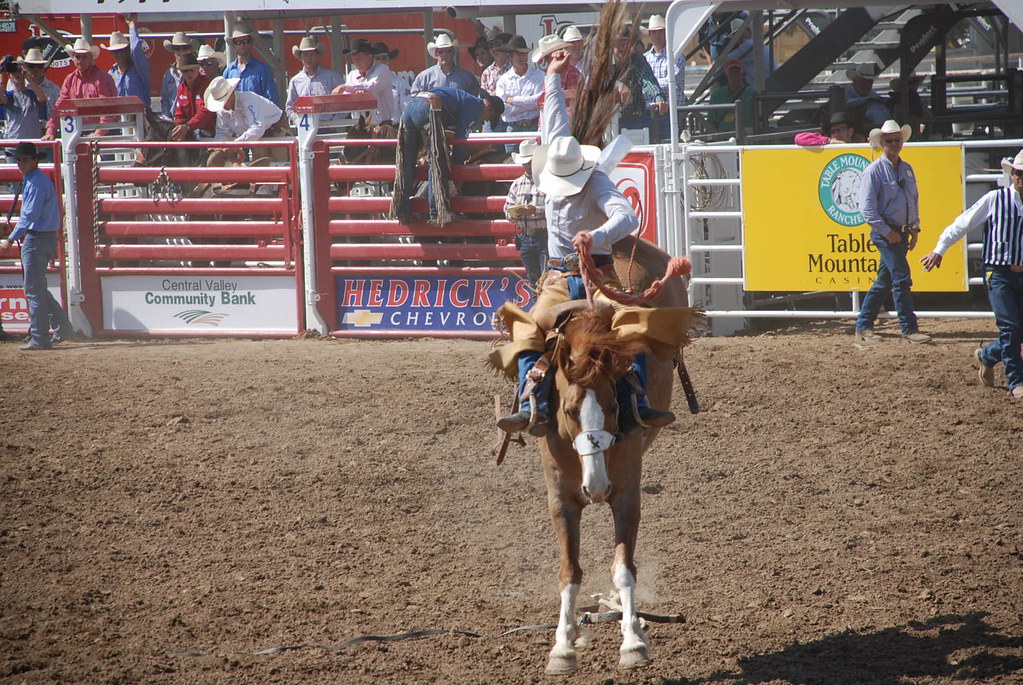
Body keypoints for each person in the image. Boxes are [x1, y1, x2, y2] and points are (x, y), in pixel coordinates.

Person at [495, 48, 674, 436]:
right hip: (558, 278)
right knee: (527, 327)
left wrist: (595, 236)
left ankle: (638, 403)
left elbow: (626, 216)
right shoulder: (559, 156)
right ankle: (534, 405)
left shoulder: (596, 181)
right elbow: (554, 120)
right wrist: (553, 77)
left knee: (632, 324)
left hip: (599, 276)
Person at [920, 150, 1023, 399]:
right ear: (1012, 175)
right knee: (1010, 326)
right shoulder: (994, 199)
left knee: (1015, 330)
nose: (1021, 178)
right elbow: (963, 223)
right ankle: (1016, 381)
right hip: (998, 271)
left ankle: (987, 355)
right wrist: (940, 249)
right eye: (1019, 173)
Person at [854, 120, 930, 345]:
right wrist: (887, 231)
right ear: (882, 143)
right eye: (890, 141)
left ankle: (863, 326)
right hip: (888, 233)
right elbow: (867, 209)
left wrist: (914, 227)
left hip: (900, 232)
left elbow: (913, 200)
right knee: (901, 278)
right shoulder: (874, 171)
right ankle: (909, 328)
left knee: (885, 281)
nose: (895, 144)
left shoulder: (905, 168)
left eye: (898, 140)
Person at [390, 87, 502, 226]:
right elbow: (460, 141)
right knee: (438, 159)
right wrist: (457, 171)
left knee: (406, 160)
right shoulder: (475, 106)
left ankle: (402, 210)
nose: (485, 121)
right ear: (488, 108)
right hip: (429, 108)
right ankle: (437, 211)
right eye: (490, 117)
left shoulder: (463, 98)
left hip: (412, 107)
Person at [0, 141, 74, 351]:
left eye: (23, 160)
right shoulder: (39, 180)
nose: (19, 164)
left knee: (32, 289)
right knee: (37, 288)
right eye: (18, 160)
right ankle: (62, 328)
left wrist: (10, 239)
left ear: (33, 161)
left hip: (37, 238)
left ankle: (40, 337)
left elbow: (29, 216)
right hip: (45, 237)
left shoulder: (34, 183)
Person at [41, 38, 117, 141]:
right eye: (77, 57)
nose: (80, 60)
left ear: (91, 58)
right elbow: (59, 106)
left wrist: (99, 132)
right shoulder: (70, 79)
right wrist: (50, 130)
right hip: (80, 131)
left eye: (84, 57)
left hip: (106, 131)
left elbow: (108, 108)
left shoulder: (102, 78)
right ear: (73, 58)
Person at [204, 75, 283, 167]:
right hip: (251, 136)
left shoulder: (249, 100)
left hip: (275, 130)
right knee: (260, 169)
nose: (223, 105)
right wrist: (219, 147)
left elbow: (257, 128)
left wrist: (234, 145)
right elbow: (222, 133)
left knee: (279, 164)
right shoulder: (222, 110)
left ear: (232, 93)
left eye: (224, 101)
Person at [504, 139, 548, 288]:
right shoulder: (517, 183)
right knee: (534, 281)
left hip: (544, 235)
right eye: (525, 163)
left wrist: (535, 210)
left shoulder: (548, 181)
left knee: (546, 280)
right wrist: (514, 212)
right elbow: (507, 211)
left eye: (530, 162)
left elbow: (556, 209)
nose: (527, 166)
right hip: (526, 236)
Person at [614, 29, 666, 143]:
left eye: (626, 44)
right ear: (612, 46)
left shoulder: (637, 59)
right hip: (608, 121)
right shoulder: (604, 62)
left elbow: (647, 80)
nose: (623, 48)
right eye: (619, 45)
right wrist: (618, 86)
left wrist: (659, 97)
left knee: (662, 129)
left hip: (635, 117)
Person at [494, 35, 544, 148]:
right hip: (513, 128)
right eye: (518, 54)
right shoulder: (503, 80)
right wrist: (529, 103)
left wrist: (512, 100)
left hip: (533, 127)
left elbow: (539, 101)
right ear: (510, 56)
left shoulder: (539, 76)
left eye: (524, 54)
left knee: (535, 162)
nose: (523, 57)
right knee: (511, 162)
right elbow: (502, 108)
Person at [284, 36, 345, 127]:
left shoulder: (332, 77)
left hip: (327, 126)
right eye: (305, 55)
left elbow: (344, 102)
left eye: (311, 55)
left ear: (317, 56)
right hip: (305, 127)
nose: (309, 59)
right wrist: (298, 121)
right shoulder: (295, 81)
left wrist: (333, 120)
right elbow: (289, 107)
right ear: (300, 57)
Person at [334, 38, 395, 125]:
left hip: (381, 124)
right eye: (354, 59)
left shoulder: (382, 69)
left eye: (359, 59)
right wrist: (355, 94)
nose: (356, 63)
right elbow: (347, 97)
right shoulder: (352, 74)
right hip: (358, 124)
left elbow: (372, 86)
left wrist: (347, 87)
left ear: (370, 57)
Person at [223, 25, 279, 106]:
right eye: (238, 42)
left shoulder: (263, 70)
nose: (242, 45)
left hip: (258, 117)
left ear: (251, 42)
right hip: (236, 117)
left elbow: (272, 100)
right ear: (234, 45)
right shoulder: (228, 72)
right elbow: (224, 100)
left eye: (246, 41)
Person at [103, 15, 150, 110]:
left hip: (141, 116)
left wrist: (131, 26)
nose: (119, 54)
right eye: (115, 51)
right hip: (119, 117)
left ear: (128, 50)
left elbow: (136, 49)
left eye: (122, 50)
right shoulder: (110, 73)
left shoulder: (139, 68)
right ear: (112, 54)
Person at [643, 14, 686, 117]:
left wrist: (647, 85)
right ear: (649, 34)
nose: (657, 35)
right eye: (654, 32)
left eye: (660, 31)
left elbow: (671, 82)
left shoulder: (676, 55)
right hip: (649, 113)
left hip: (673, 113)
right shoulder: (644, 58)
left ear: (666, 32)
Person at [410, 34, 480, 96]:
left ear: (453, 52)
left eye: (448, 51)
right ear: (436, 54)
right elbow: (415, 101)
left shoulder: (467, 78)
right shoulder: (424, 77)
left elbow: (474, 102)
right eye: (440, 52)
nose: (444, 54)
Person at [1, 55, 44, 153]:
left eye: (19, 71)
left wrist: (28, 77)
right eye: (13, 71)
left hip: (33, 144)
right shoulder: (8, 96)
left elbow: (42, 99)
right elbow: (1, 97)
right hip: (13, 145)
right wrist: (1, 74)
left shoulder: (32, 94)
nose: (17, 73)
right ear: (10, 75)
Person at [170, 53, 214, 140]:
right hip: (191, 131)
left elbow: (206, 111)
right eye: (185, 71)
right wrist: (180, 127)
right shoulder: (181, 89)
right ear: (181, 72)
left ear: (198, 69)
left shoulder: (207, 85)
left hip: (211, 133)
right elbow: (179, 114)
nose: (189, 73)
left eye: (192, 70)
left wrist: (187, 126)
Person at [20, 48, 59, 142]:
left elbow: (59, 113)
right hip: (25, 132)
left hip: (48, 132)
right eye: (31, 66)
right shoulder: (17, 86)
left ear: (44, 68)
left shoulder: (55, 89)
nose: (35, 70)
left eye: (39, 66)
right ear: (25, 68)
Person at [706, 59, 753, 133]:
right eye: (732, 72)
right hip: (722, 138)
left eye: (737, 72)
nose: (735, 75)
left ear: (742, 73)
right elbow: (710, 120)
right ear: (727, 74)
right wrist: (716, 136)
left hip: (746, 136)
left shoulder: (752, 93)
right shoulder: (717, 95)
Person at [160, 31, 196, 120]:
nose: (180, 51)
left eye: (184, 48)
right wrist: (167, 117)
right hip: (172, 119)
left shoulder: (196, 72)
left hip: (191, 120)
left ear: (189, 49)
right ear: (173, 50)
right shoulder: (168, 74)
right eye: (177, 48)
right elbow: (165, 99)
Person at [372, 42, 409, 120]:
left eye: (384, 58)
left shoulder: (400, 83)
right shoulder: (366, 83)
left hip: (394, 128)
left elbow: (406, 110)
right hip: (373, 128)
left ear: (389, 60)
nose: (381, 62)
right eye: (377, 59)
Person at [845, 64, 890, 129]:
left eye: (870, 81)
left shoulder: (873, 94)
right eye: (864, 81)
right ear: (855, 80)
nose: (867, 84)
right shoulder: (844, 94)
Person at [479, 27, 512, 97]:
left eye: (497, 44)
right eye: (491, 46)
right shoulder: (486, 73)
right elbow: (483, 98)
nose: (494, 49)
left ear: (505, 45)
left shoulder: (514, 68)